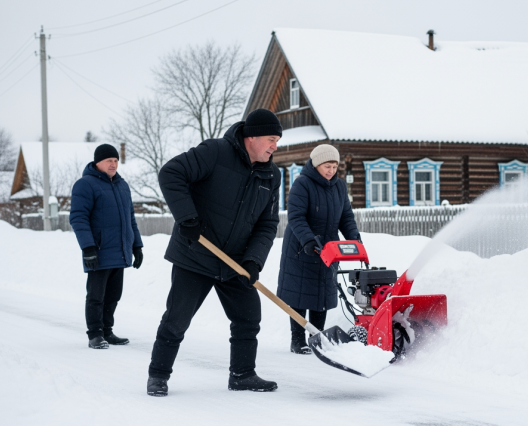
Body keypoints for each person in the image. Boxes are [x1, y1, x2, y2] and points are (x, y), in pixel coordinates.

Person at [146, 109, 282, 397]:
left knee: (248, 317)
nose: (275, 146)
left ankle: (243, 374)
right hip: (196, 253)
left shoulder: (271, 174)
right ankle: (158, 375)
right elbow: (171, 173)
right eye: (271, 139)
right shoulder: (215, 152)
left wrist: (254, 260)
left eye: (277, 141)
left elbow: (268, 223)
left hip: (234, 260)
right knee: (177, 318)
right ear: (252, 137)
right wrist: (187, 218)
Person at [277, 144, 360, 354]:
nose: (331, 170)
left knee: (321, 294)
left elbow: (346, 217)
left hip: (329, 249)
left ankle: (316, 336)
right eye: (327, 166)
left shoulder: (339, 186)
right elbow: (296, 217)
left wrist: (354, 239)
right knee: (300, 294)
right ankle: (297, 341)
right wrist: (308, 241)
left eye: (334, 166)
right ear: (316, 164)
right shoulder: (302, 184)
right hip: (302, 247)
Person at [70, 144, 144, 350]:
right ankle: (95, 334)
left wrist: (137, 246)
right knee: (96, 296)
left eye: (115, 160)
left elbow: (130, 218)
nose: (113, 164)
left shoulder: (122, 185)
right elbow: (78, 218)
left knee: (113, 295)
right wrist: (88, 248)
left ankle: (107, 331)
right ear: (97, 162)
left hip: (119, 250)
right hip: (99, 251)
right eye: (108, 160)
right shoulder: (85, 185)